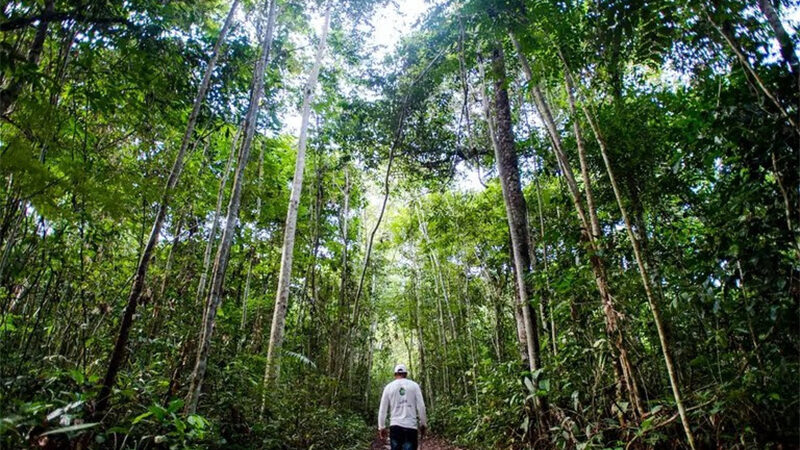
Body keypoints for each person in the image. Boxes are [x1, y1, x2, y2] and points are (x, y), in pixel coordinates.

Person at [378, 364, 427, 450]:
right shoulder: (414, 386)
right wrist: (423, 424)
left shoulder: (388, 387)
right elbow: (421, 406)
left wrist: (381, 427)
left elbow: (383, 409)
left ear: (395, 374)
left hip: (395, 426)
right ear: (406, 374)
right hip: (411, 426)